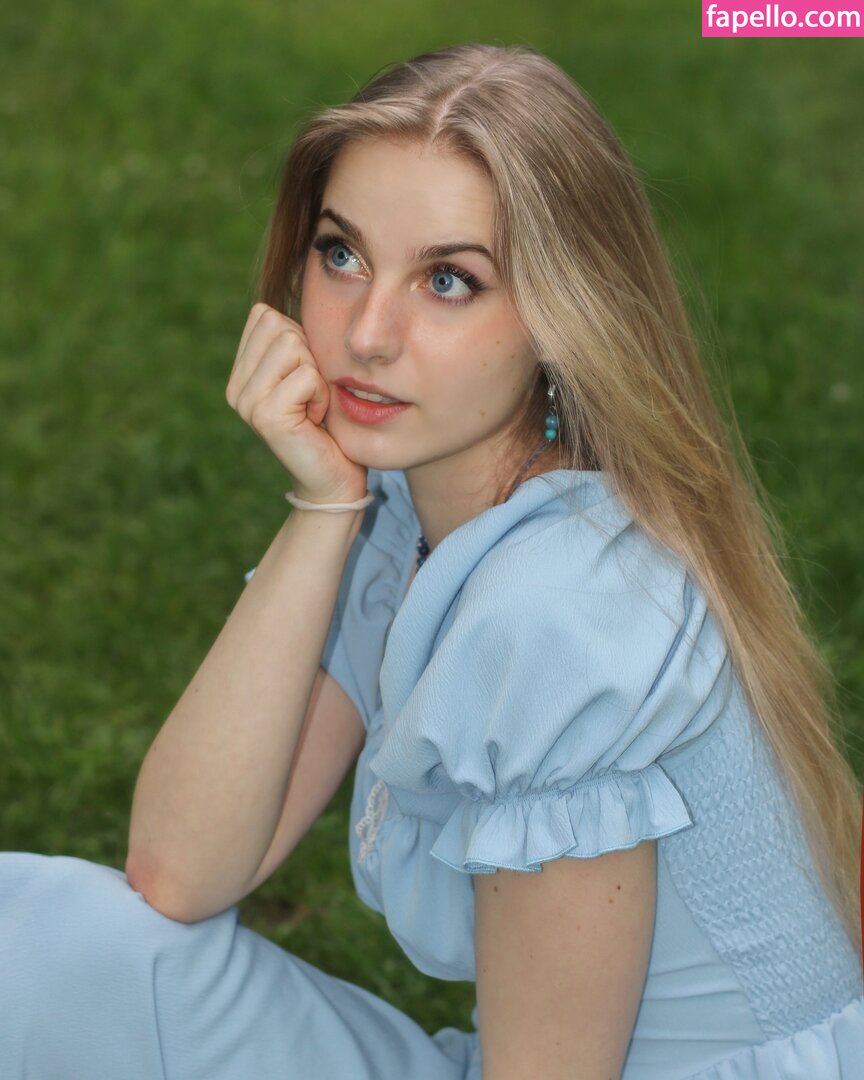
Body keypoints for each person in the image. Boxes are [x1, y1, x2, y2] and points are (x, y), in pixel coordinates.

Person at [1, 41, 862, 1080]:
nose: (367, 334)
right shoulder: (413, 508)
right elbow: (179, 869)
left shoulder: (557, 618)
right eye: (342, 255)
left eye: (449, 280)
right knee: (38, 943)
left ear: (561, 316)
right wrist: (326, 506)